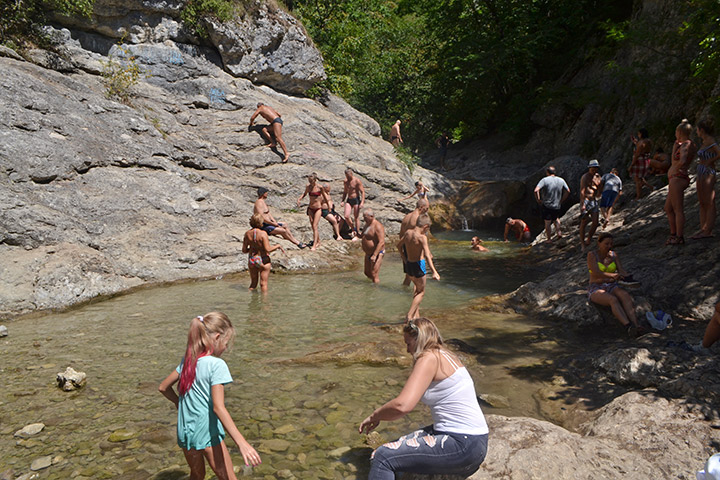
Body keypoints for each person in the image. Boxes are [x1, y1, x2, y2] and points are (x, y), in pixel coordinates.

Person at [359, 317, 489, 479]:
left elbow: (402, 405)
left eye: (408, 344)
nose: (407, 350)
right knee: (395, 447)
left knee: (383, 457)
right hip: (475, 442)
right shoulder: (445, 354)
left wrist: (375, 415)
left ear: (419, 339)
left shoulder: (429, 358)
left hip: (462, 444)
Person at [159, 313, 261, 480]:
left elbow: (163, 387)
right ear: (218, 337)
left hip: (186, 432)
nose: (226, 348)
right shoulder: (216, 365)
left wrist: (179, 403)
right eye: (226, 343)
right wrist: (242, 443)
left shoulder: (188, 360)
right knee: (227, 477)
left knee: (197, 475)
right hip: (206, 433)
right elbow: (218, 408)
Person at [587, 233, 643, 337]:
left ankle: (636, 325)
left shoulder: (613, 255)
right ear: (599, 243)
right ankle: (628, 326)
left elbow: (621, 269)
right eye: (606, 244)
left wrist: (627, 277)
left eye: (611, 244)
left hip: (611, 285)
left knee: (625, 295)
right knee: (612, 300)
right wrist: (613, 275)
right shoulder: (592, 255)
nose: (609, 246)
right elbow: (595, 272)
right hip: (596, 286)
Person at [398, 214, 440, 320]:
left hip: (409, 265)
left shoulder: (408, 233)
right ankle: (410, 315)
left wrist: (404, 257)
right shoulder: (422, 238)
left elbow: (398, 246)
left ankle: (416, 316)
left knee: (416, 289)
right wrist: (434, 271)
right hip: (418, 265)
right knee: (421, 292)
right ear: (425, 226)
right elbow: (426, 255)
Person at [665, 119, 698, 245]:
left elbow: (682, 160)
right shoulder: (685, 144)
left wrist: (677, 169)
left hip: (678, 178)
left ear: (679, 132)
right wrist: (675, 146)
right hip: (675, 178)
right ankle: (674, 234)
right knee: (668, 208)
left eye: (676, 132)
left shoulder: (686, 145)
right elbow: (675, 159)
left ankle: (679, 236)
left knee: (677, 209)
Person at [242, 213, 285, 292]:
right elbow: (267, 249)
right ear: (261, 222)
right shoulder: (263, 234)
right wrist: (277, 246)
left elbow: (244, 250)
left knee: (253, 284)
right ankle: (264, 303)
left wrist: (252, 248)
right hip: (263, 259)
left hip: (252, 259)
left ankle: (250, 302)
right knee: (263, 284)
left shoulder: (247, 234)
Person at [691, 118, 718, 239]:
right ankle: (703, 229)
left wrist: (709, 161)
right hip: (701, 171)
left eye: (697, 129)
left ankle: (708, 230)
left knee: (709, 201)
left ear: (701, 130)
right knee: (702, 202)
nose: (696, 132)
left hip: (708, 172)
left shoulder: (710, 141)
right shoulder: (703, 141)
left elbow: (719, 152)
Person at [534, 166, 570, 243]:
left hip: (547, 204)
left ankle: (549, 239)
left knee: (547, 222)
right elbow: (568, 191)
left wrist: (538, 199)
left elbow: (536, 190)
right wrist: (562, 200)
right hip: (557, 204)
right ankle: (559, 233)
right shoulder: (561, 180)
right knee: (556, 218)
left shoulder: (544, 180)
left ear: (547, 172)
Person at [400, 198, 430, 286]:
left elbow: (402, 235)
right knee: (417, 279)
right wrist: (426, 253)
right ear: (421, 207)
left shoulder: (407, 217)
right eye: (426, 208)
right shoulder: (417, 219)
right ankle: (415, 297)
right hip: (413, 251)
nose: (427, 211)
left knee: (409, 276)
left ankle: (405, 293)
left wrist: (403, 253)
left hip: (406, 248)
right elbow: (417, 238)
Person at [297, 173, 330, 251]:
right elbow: (304, 194)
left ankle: (314, 245)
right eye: (309, 181)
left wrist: (329, 207)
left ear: (315, 180)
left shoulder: (320, 187)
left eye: (311, 181)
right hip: (310, 208)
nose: (310, 183)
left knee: (315, 225)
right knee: (312, 225)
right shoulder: (308, 187)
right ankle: (318, 241)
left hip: (318, 208)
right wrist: (299, 199)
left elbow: (325, 197)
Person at [579, 159, 603, 248]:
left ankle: (589, 238)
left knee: (595, 222)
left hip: (593, 200)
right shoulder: (585, 177)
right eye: (593, 168)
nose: (594, 170)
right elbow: (582, 191)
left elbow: (600, 188)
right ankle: (582, 243)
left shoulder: (597, 176)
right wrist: (583, 204)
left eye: (596, 168)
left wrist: (598, 189)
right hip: (586, 200)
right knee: (584, 222)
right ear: (589, 168)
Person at [359, 209, 386, 283]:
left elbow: (381, 242)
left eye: (365, 217)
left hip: (377, 253)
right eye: (363, 217)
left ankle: (375, 291)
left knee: (374, 274)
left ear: (372, 216)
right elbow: (364, 235)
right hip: (368, 253)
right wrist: (358, 235)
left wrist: (374, 255)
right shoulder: (367, 224)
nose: (364, 219)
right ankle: (372, 284)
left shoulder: (378, 226)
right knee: (367, 273)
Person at [629, 128, 653, 199]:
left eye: (639, 134)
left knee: (637, 179)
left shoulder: (641, 142)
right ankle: (651, 187)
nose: (638, 135)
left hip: (639, 161)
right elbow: (643, 148)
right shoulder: (648, 141)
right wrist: (636, 142)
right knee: (641, 178)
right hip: (646, 160)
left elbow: (637, 154)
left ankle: (639, 196)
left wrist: (632, 165)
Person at [342, 168, 365, 235]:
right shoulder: (345, 181)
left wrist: (362, 202)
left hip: (356, 200)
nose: (348, 177)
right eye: (347, 176)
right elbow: (345, 191)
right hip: (349, 199)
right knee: (346, 216)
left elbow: (362, 192)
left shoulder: (357, 181)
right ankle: (353, 228)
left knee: (356, 217)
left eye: (349, 176)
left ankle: (357, 232)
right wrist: (343, 200)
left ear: (351, 174)